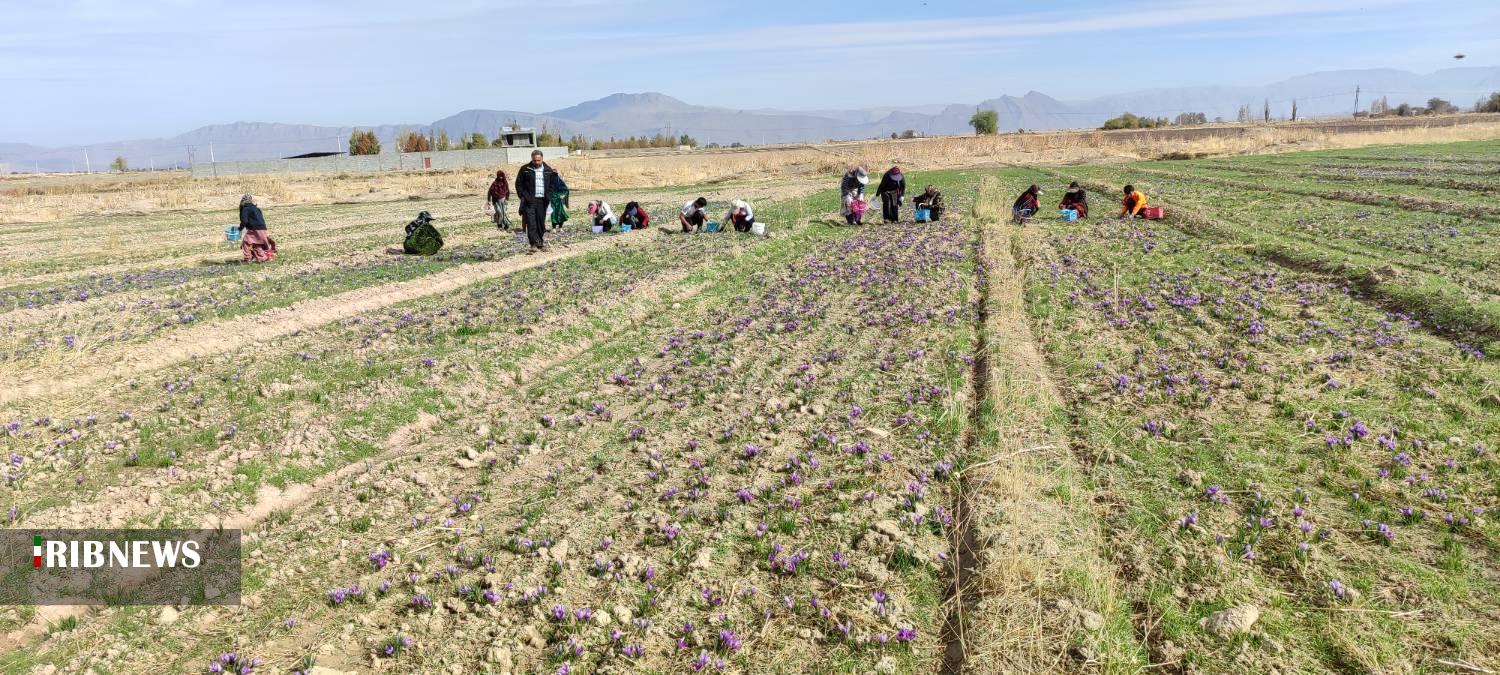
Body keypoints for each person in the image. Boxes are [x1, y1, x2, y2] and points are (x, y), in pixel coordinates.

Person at [516, 150, 559, 253]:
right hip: (530, 200)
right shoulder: (525, 169)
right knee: (531, 222)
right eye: (535, 160)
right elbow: (518, 184)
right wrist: (523, 196)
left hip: (543, 201)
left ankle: (540, 243)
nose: (537, 162)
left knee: (540, 222)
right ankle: (533, 244)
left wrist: (549, 196)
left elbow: (553, 185)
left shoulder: (548, 170)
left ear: (542, 159)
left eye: (539, 160)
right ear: (532, 159)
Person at [237, 194, 276, 263]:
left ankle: (247, 259)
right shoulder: (256, 208)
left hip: (254, 229)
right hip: (263, 228)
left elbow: (244, 221)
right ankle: (263, 257)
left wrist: (240, 229)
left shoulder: (245, 209)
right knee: (257, 244)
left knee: (245, 243)